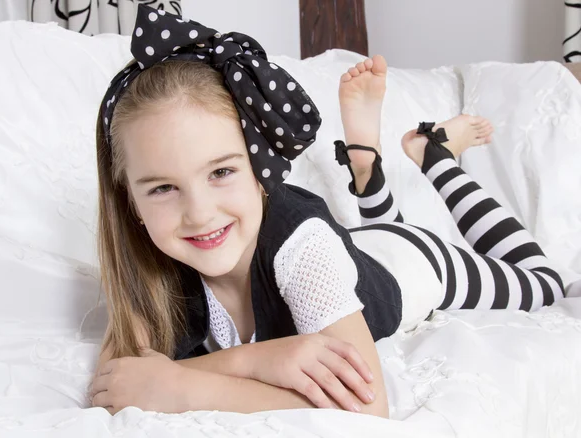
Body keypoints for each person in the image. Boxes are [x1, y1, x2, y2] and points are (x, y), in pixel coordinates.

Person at [89, 5, 565, 417]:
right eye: (163, 188)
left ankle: (435, 155)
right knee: (375, 233)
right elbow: (120, 380)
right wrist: (257, 360)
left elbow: (366, 409)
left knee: (544, 282)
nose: (197, 213)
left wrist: (187, 385)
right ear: (128, 197)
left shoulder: (302, 245)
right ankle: (366, 165)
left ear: (261, 168)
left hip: (416, 262)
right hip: (356, 251)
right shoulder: (148, 258)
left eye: (221, 173)